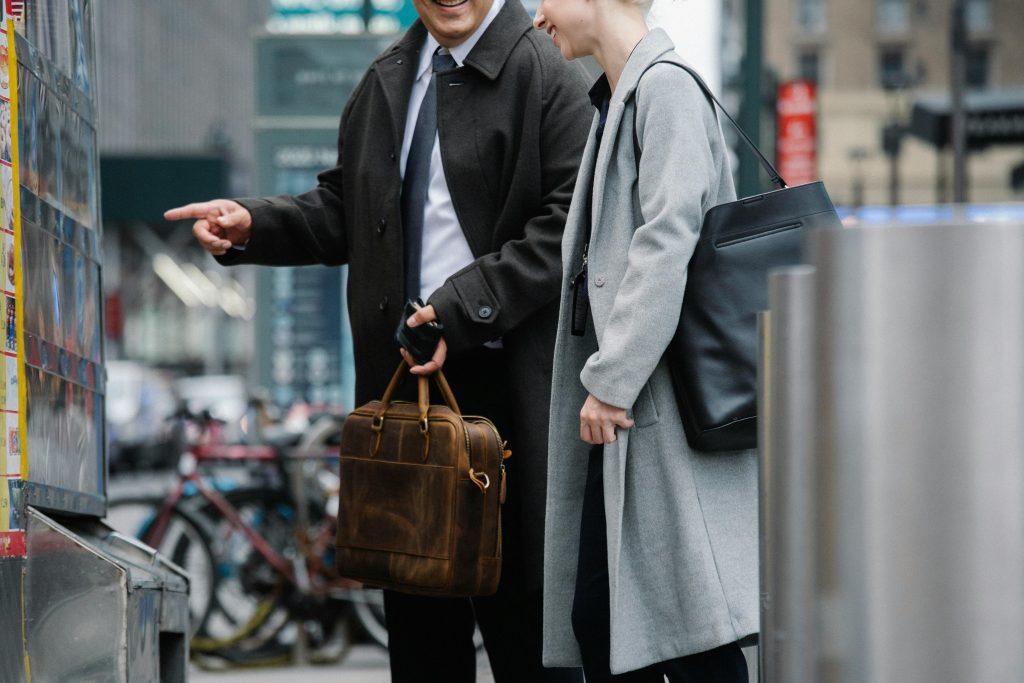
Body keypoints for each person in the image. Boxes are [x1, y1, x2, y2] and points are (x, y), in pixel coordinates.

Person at [164, 0, 591, 680]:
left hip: (510, 409)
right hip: (403, 404)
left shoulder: (544, 72)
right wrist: (253, 224)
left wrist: (460, 307)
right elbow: (346, 211)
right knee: (421, 648)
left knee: (529, 646)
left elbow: (572, 223)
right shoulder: (389, 75)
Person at [533, 0, 759, 680]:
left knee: (685, 634)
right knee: (615, 623)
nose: (539, 16)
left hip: (650, 408)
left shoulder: (665, 88)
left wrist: (611, 379)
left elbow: (666, 241)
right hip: (637, 415)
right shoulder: (621, 99)